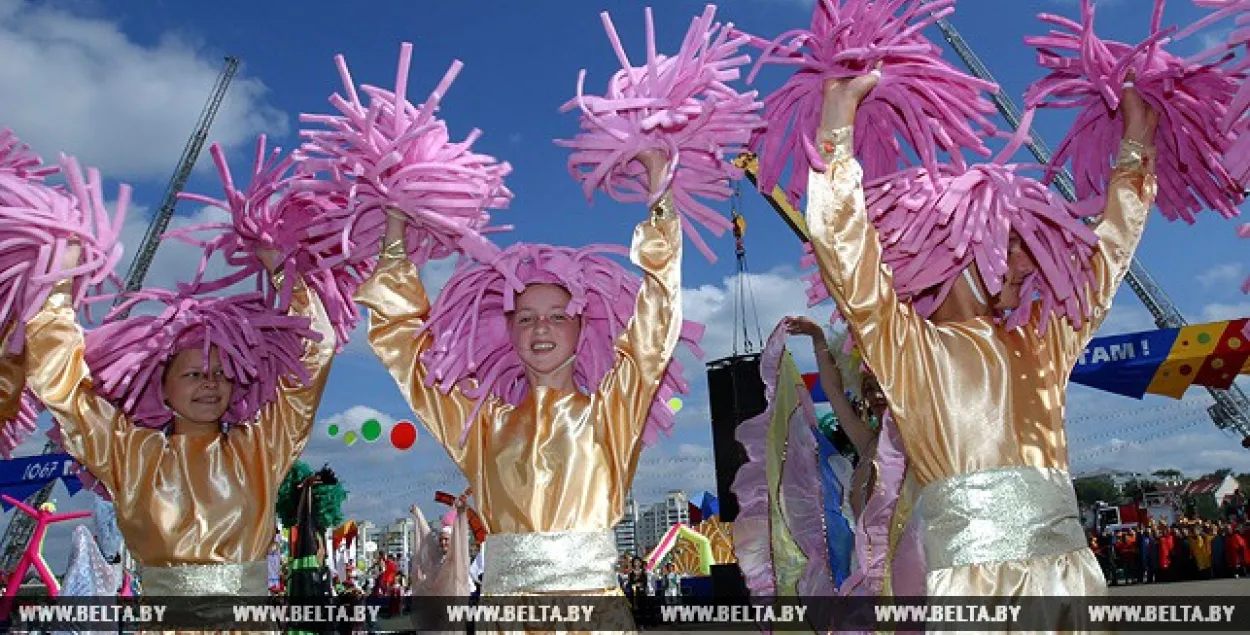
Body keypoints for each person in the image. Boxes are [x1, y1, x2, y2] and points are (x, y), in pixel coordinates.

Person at [802, 65, 1157, 605]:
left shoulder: (1044, 342)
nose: (1026, 261)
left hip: (1072, 588)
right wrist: (838, 124)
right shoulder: (910, 349)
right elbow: (846, 256)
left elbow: (1107, 258)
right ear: (960, 250)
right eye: (1010, 243)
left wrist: (1136, 144)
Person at [356, 149, 682, 631]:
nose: (541, 328)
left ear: (581, 326)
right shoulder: (482, 423)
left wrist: (660, 195)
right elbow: (406, 350)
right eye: (526, 318)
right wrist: (395, 233)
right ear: (508, 332)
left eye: (557, 315)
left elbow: (656, 323)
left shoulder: (611, 411)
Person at [21, 244, 335, 603]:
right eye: (193, 373)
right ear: (162, 387)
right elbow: (63, 388)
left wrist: (283, 272)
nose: (210, 382)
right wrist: (59, 283)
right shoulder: (130, 454)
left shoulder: (262, 448)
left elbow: (316, 354)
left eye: (220, 372)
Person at [786, 316, 925, 603]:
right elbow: (835, 393)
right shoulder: (868, 443)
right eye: (867, 386)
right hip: (865, 582)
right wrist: (818, 339)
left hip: (910, 581)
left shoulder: (919, 445)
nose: (874, 394)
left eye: (881, 385)